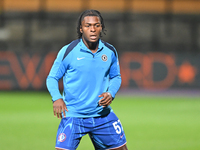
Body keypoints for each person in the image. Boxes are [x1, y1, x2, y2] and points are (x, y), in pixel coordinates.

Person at [46, 9, 128, 150]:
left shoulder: (110, 51)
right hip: (74, 116)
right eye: (88, 26)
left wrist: (111, 93)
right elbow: (52, 78)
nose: (92, 29)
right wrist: (57, 98)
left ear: (101, 27)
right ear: (81, 29)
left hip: (102, 116)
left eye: (96, 25)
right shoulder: (68, 51)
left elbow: (116, 76)